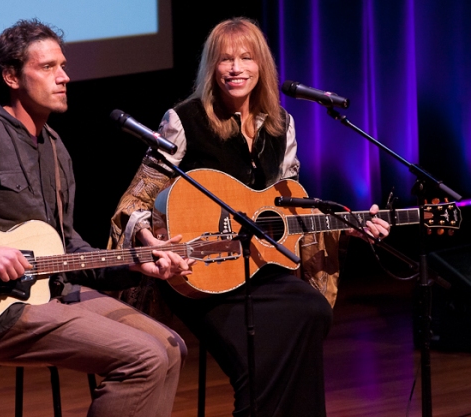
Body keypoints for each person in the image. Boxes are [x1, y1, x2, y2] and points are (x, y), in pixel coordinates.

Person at [0, 19, 192, 417]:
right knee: (144, 358)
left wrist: (134, 263)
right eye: (48, 68)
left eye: (63, 66)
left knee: (170, 348)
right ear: (11, 76)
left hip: (52, 292)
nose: (64, 77)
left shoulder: (56, 148)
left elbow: (67, 247)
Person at [109, 17, 391, 416]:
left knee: (309, 310)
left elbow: (290, 207)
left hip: (259, 267)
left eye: (246, 58)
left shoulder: (282, 126)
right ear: (212, 67)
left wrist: (349, 226)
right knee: (260, 360)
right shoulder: (183, 121)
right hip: (202, 272)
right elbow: (134, 201)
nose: (236, 68)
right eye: (225, 59)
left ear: (262, 66)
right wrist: (148, 239)